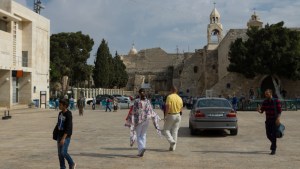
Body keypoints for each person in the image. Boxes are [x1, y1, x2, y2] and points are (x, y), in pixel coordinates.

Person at [125, 88, 161, 157]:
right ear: (144, 93)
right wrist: (156, 117)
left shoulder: (136, 101)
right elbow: (151, 111)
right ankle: (142, 149)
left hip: (139, 120)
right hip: (146, 120)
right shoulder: (147, 101)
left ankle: (141, 148)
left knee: (138, 135)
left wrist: (130, 120)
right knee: (143, 135)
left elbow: (133, 111)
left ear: (139, 93)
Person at [52, 99, 76, 169]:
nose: (59, 106)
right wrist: (55, 133)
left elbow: (68, 127)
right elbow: (58, 123)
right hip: (59, 135)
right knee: (60, 154)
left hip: (65, 137)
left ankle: (72, 163)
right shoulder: (60, 113)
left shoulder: (68, 114)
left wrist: (63, 138)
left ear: (65, 106)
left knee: (63, 152)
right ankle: (62, 167)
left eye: (60, 105)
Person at [257, 89, 282, 155]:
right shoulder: (265, 102)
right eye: (265, 94)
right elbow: (262, 111)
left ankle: (273, 149)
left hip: (274, 120)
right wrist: (258, 110)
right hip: (268, 120)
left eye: (267, 94)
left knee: (273, 135)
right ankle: (274, 144)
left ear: (271, 94)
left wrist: (278, 118)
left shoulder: (276, 101)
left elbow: (279, 111)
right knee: (268, 135)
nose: (266, 95)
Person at [163, 85, 183, 151]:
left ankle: (171, 141)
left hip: (171, 114)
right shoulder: (180, 98)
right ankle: (173, 147)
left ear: (171, 90)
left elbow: (168, 106)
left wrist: (165, 116)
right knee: (175, 131)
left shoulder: (169, 97)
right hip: (178, 115)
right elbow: (181, 109)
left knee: (166, 130)